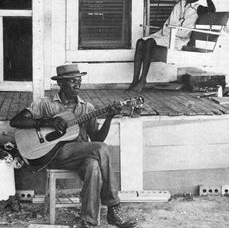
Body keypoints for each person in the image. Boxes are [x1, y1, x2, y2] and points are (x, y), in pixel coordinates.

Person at [10, 64, 138, 228]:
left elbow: (97, 137)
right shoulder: (45, 104)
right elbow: (16, 121)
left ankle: (89, 222)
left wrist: (109, 117)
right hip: (54, 155)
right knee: (102, 148)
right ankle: (113, 206)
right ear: (61, 84)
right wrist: (46, 121)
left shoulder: (87, 107)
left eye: (79, 81)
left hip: (80, 155)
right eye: (72, 81)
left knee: (93, 165)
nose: (77, 85)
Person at [127, 0, 216, 93]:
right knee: (141, 42)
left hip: (178, 39)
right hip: (165, 34)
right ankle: (135, 80)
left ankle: (143, 81)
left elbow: (213, 11)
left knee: (148, 44)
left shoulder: (199, 9)